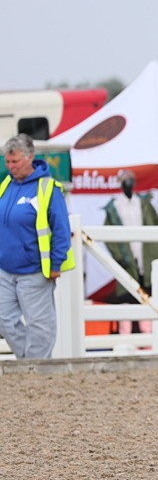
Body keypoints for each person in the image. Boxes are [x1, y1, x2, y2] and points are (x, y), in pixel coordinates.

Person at [0, 133, 75, 358]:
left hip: (35, 269)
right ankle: (31, 364)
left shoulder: (49, 188)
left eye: (15, 161)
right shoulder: (6, 184)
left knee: (40, 323)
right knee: (5, 319)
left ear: (30, 157)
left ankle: (35, 369)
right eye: (7, 161)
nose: (11, 166)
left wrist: (56, 263)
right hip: (5, 268)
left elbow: (61, 229)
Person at [103, 169, 158, 335]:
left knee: (147, 297)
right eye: (125, 179)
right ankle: (125, 337)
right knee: (125, 299)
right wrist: (118, 256)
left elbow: (157, 227)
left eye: (130, 179)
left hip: (145, 258)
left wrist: (155, 251)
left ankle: (149, 337)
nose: (128, 182)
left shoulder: (144, 204)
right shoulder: (114, 207)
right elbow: (108, 236)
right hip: (126, 259)